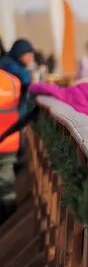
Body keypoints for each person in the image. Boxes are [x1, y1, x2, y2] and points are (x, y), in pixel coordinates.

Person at [0, 39, 37, 222]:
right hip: (9, 139)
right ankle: (7, 219)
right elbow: (27, 101)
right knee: (6, 182)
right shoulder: (15, 80)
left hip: (9, 137)